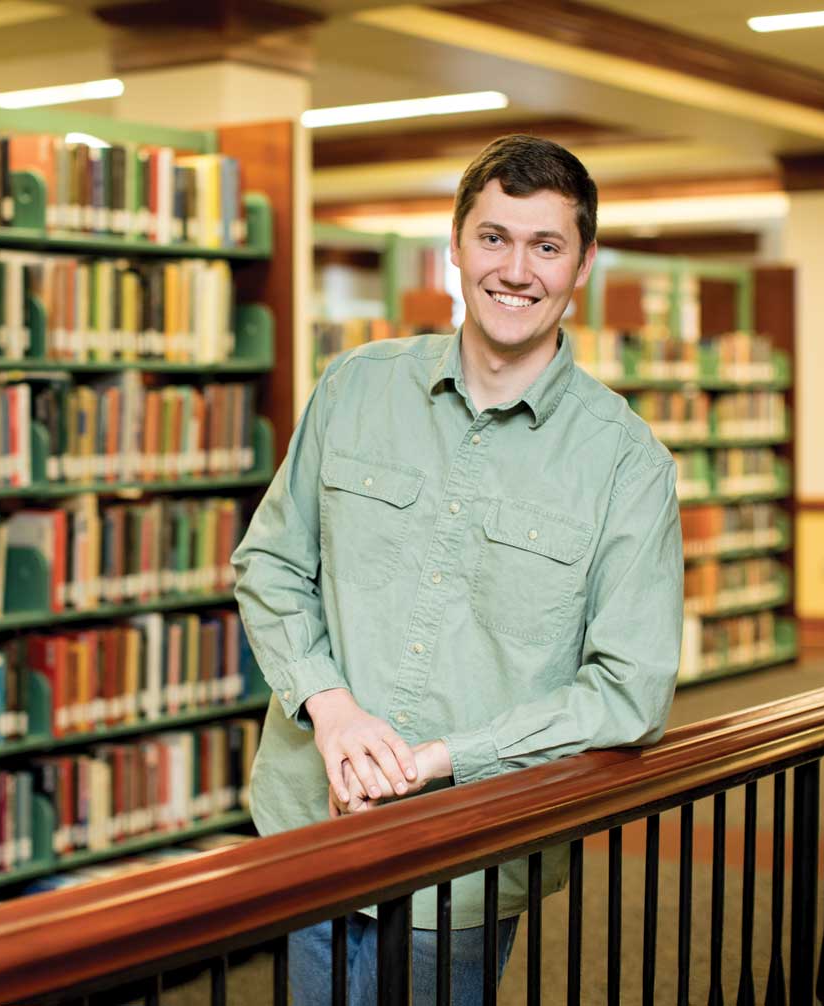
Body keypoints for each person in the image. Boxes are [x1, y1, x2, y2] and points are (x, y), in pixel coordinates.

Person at [231, 134, 684, 1005]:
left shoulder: (627, 463)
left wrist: (443, 758)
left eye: (546, 246)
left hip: (469, 853)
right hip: (310, 824)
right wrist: (330, 709)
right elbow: (272, 563)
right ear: (455, 244)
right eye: (494, 238)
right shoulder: (353, 386)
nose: (516, 270)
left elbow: (629, 691)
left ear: (582, 263)